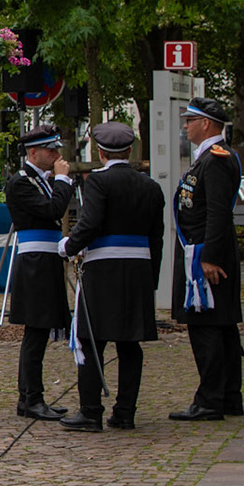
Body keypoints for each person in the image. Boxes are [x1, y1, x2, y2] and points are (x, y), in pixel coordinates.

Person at [59, 123, 165, 432]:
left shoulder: (98, 182)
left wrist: (68, 246)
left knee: (91, 341)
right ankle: (126, 412)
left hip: (104, 271)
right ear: (130, 151)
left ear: (100, 152)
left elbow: (90, 223)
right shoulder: (151, 186)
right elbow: (156, 237)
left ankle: (91, 411)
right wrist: (152, 279)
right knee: (130, 344)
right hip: (139, 271)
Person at [169, 98, 243, 422]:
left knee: (207, 327)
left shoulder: (215, 160)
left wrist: (209, 257)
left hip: (206, 254)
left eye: (190, 120)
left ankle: (211, 400)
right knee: (221, 326)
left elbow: (217, 211)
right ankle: (228, 397)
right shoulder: (210, 157)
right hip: (204, 249)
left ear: (206, 124)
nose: (186, 126)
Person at [4, 126, 74, 422]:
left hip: (46, 260)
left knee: (40, 332)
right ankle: (31, 398)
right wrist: (63, 180)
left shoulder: (39, 180)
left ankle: (32, 396)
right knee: (35, 332)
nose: (56, 155)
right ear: (33, 153)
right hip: (34, 262)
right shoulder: (22, 182)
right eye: (50, 150)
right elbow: (53, 209)